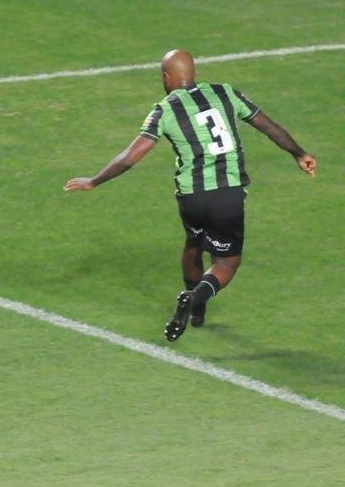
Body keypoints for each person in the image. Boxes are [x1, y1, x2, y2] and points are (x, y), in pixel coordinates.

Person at [64, 49, 317, 341]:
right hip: (228, 193)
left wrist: (94, 180)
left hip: (192, 195)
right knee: (226, 262)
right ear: (193, 72)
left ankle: (195, 308)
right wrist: (299, 153)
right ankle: (196, 299)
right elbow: (268, 127)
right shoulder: (226, 93)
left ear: (166, 77)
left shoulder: (165, 109)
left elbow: (130, 157)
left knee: (194, 242)